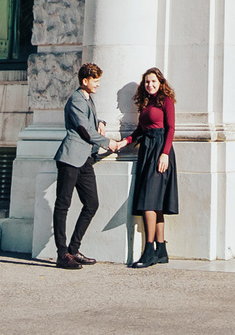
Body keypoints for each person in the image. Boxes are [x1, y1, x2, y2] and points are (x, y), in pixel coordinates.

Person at [51, 61, 123, 269]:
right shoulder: (76, 99)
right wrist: (107, 142)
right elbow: (83, 129)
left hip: (85, 159)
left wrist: (102, 123)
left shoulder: (87, 98)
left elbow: (89, 120)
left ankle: (74, 249)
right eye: (96, 80)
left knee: (92, 203)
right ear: (85, 81)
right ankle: (62, 254)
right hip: (70, 158)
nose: (98, 84)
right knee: (62, 205)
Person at [126, 66, 180, 267]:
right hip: (147, 151)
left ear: (160, 83)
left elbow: (171, 127)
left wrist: (165, 153)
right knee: (154, 202)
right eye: (147, 82)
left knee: (150, 201)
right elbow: (140, 130)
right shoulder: (146, 103)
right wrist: (126, 141)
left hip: (160, 151)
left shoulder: (166, 101)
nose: (150, 85)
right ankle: (161, 250)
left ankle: (149, 251)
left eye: (153, 81)